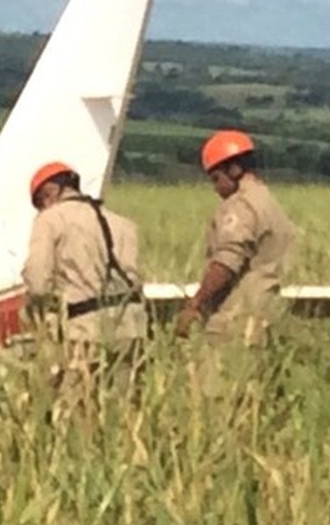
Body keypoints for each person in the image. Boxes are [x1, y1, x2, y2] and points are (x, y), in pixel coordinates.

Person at [21, 161, 147, 388]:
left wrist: (35, 315)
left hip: (87, 330)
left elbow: (38, 282)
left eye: (40, 203)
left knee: (80, 409)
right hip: (132, 326)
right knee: (125, 406)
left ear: (49, 192)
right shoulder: (124, 223)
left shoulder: (50, 220)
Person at [174, 130, 296, 346]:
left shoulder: (241, 205)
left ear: (234, 169)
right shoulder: (270, 203)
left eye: (216, 178)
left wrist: (195, 305)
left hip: (234, 322)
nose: (216, 188)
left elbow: (227, 261)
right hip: (266, 317)